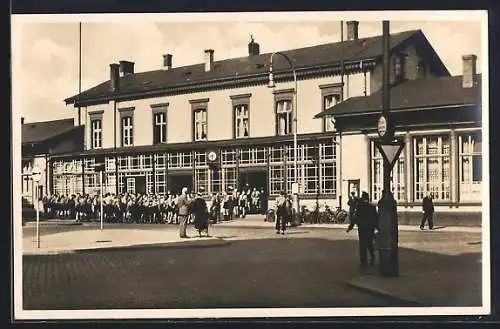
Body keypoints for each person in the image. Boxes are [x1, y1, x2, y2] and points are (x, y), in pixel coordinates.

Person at [347, 191, 378, 267]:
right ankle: (372, 256)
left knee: (363, 245)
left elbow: (355, 218)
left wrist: (350, 227)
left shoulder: (360, 207)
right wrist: (377, 228)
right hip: (370, 228)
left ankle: (364, 261)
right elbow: (376, 218)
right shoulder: (372, 207)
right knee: (369, 243)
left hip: (362, 228)